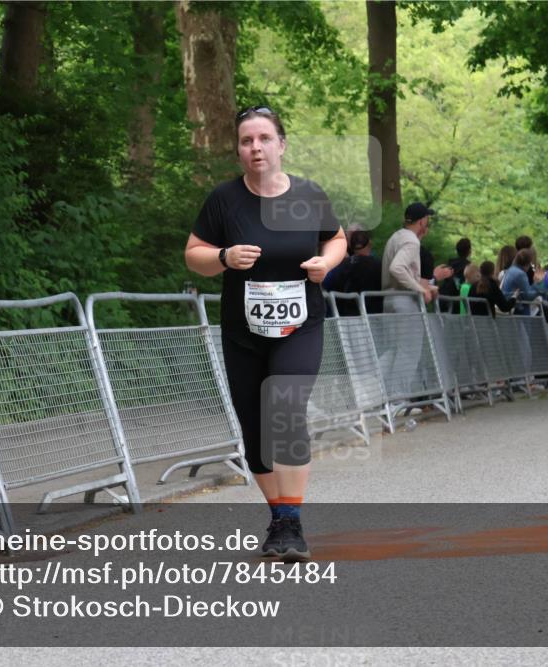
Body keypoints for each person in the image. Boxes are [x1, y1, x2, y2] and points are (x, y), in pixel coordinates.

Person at [184, 106, 346, 560]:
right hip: (244, 331)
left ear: (281, 144)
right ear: (239, 149)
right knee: (255, 426)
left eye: (263, 138)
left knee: (286, 407)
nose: (255, 147)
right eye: (246, 141)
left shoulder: (309, 195)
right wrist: (224, 256)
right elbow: (193, 253)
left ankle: (292, 522)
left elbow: (335, 238)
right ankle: (279, 518)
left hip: (300, 325)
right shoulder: (224, 199)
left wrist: (326, 263)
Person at [379, 202, 436, 395]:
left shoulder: (396, 236)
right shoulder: (411, 241)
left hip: (389, 299)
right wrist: (420, 289)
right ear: (422, 221)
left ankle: (374, 393)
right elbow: (397, 268)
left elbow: (398, 270)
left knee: (394, 350)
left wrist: (428, 288)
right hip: (405, 301)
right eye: (427, 219)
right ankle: (397, 400)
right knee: (409, 352)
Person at [332, 229, 382, 316]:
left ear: (351, 245)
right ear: (369, 243)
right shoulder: (378, 264)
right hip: (373, 314)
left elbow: (331, 284)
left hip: (346, 315)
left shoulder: (342, 265)